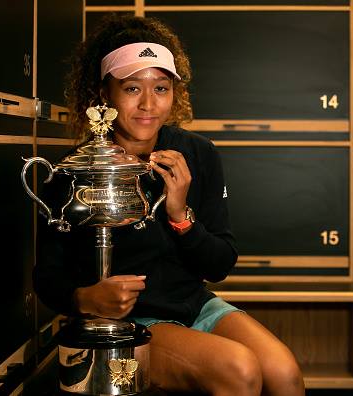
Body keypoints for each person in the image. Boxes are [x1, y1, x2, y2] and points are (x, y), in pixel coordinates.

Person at [34, 13, 305, 396]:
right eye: (131, 89)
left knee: (284, 373)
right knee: (240, 371)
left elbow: (220, 264)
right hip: (132, 320)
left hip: (195, 306)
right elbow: (47, 275)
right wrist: (84, 297)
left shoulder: (198, 153)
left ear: (175, 93)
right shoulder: (78, 169)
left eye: (161, 88)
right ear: (103, 94)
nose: (148, 104)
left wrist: (181, 216)